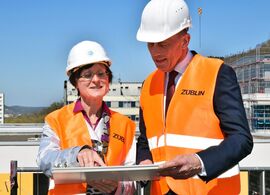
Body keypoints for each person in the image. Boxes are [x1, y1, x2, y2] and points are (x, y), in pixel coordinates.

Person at [136, 0, 253, 194]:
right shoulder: (148, 84)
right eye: (150, 44)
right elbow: (145, 140)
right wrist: (144, 161)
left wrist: (200, 162)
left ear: (185, 41)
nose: (155, 52)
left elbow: (241, 139)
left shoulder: (217, 73)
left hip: (211, 189)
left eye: (163, 44)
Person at [37, 40, 136, 195]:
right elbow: (45, 159)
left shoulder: (126, 125)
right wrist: (77, 154)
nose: (96, 80)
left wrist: (117, 187)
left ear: (108, 80)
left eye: (101, 74)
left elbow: (133, 176)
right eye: (87, 75)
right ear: (75, 82)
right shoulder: (56, 120)